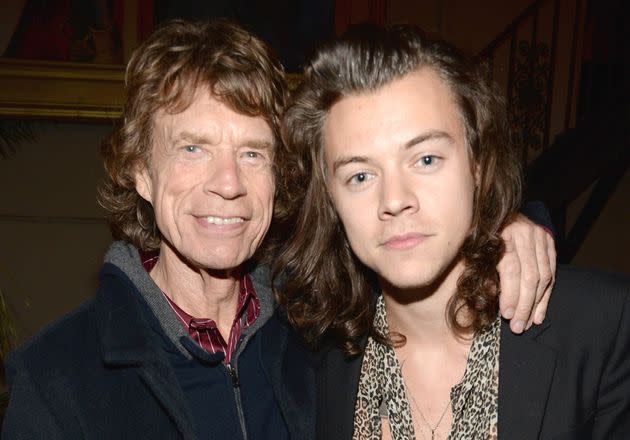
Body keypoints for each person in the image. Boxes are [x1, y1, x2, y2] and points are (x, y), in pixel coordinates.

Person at [3, 20, 554, 439]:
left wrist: (509, 226)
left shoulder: (317, 322)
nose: (227, 183)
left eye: (252, 153)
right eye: (193, 148)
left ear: (280, 176)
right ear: (142, 172)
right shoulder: (57, 377)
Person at [276, 24, 630, 440]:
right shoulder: (309, 359)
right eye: (359, 176)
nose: (395, 199)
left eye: (426, 159)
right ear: (331, 202)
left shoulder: (602, 328)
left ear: (477, 166)